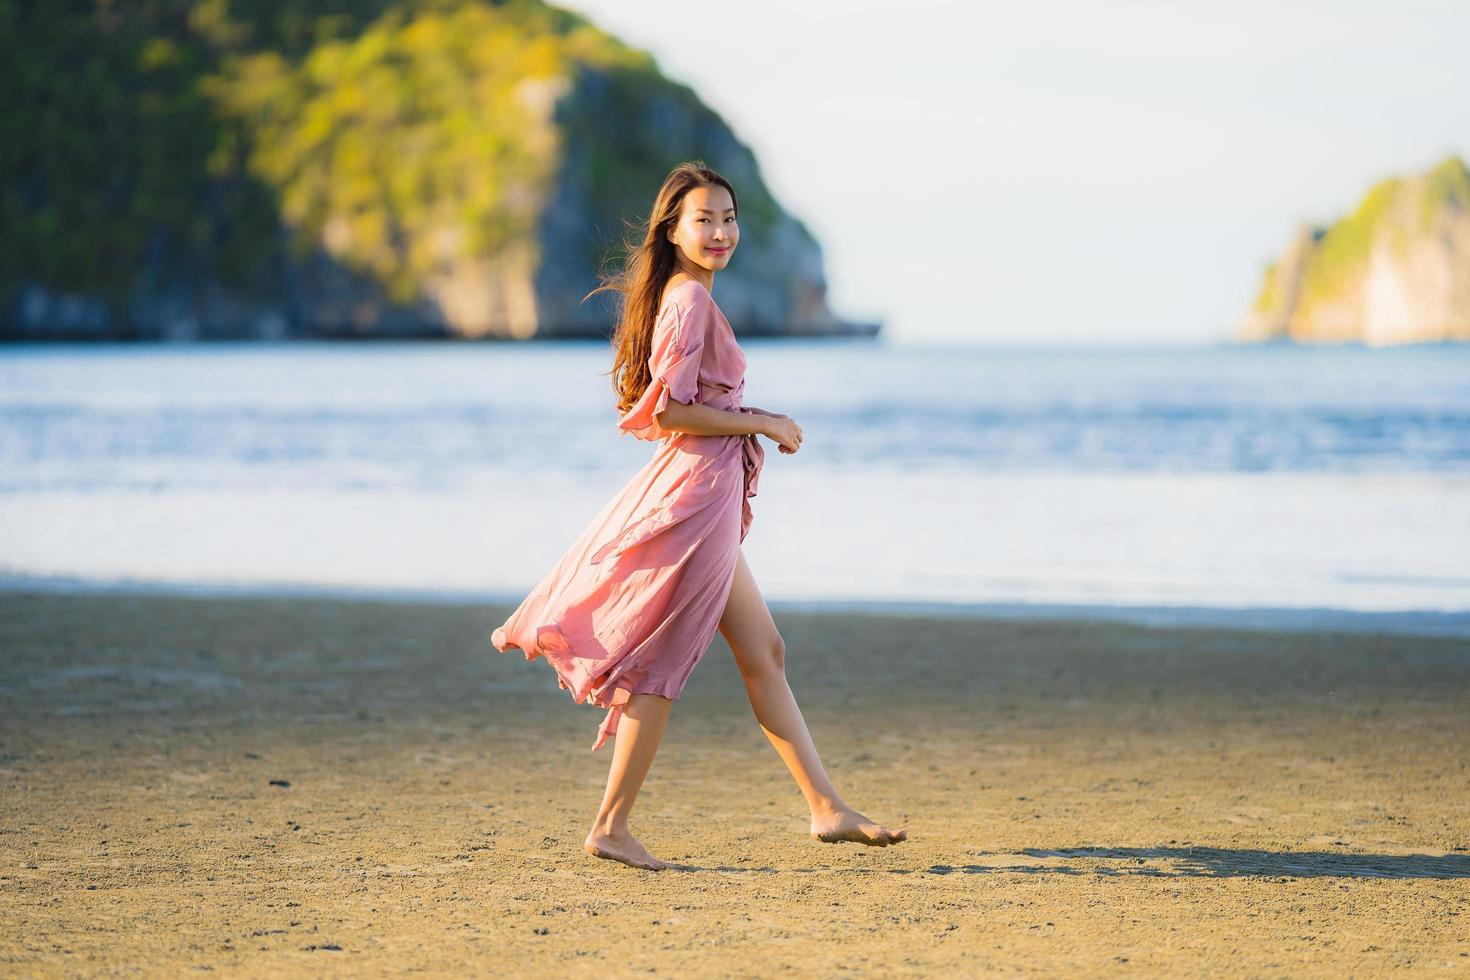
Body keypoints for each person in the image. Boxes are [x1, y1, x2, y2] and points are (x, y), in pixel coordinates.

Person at [491, 161, 907, 870]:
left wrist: (748, 424)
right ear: (673, 230)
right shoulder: (687, 302)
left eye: (727, 218)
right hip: (695, 502)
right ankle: (612, 825)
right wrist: (762, 419)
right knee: (661, 665)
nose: (719, 232)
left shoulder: (690, 297)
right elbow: (668, 411)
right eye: (703, 219)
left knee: (763, 651)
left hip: (703, 497)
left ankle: (827, 809)